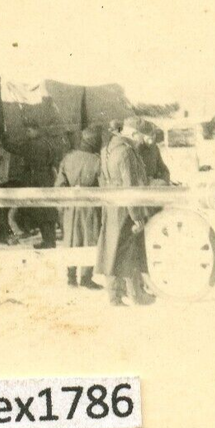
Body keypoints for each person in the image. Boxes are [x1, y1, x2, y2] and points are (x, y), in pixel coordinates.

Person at [96, 117, 157, 307]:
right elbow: (129, 187)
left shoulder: (107, 149)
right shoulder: (127, 153)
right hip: (125, 208)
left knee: (112, 249)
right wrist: (136, 216)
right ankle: (132, 296)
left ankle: (117, 296)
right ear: (133, 133)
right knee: (126, 252)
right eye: (141, 136)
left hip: (112, 205)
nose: (141, 141)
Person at [55, 128, 103, 289]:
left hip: (70, 207)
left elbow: (59, 185)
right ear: (94, 142)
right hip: (89, 207)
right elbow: (103, 186)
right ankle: (86, 278)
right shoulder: (97, 160)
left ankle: (71, 278)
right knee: (89, 239)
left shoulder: (68, 158)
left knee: (71, 240)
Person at [17, 126, 58, 248]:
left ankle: (48, 241)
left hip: (37, 180)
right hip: (48, 178)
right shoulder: (47, 142)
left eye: (29, 130)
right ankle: (51, 240)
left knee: (42, 212)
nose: (27, 133)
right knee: (49, 210)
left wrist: (4, 141)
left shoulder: (32, 144)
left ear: (36, 130)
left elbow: (16, 149)